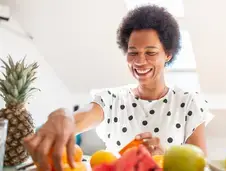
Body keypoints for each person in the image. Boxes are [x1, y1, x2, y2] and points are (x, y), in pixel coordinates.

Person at [23, 4, 214, 171]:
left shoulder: (188, 103)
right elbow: (82, 117)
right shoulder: (111, 99)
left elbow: (199, 164)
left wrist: (162, 159)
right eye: (133, 52)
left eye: (150, 52)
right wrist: (64, 115)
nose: (140, 61)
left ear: (168, 55)